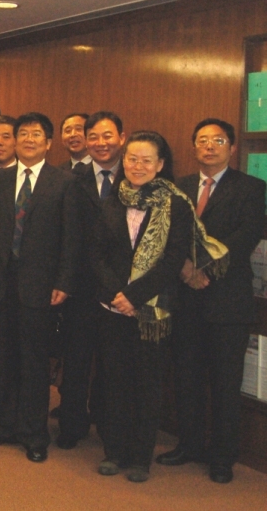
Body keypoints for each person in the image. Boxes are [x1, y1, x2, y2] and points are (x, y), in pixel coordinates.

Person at [94, 131, 222, 483]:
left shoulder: (176, 203)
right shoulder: (112, 200)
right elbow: (97, 254)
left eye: (146, 160)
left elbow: (172, 259)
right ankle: (114, 452)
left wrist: (134, 296)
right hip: (111, 306)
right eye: (132, 159)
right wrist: (116, 294)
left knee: (146, 384)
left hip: (152, 310)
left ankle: (140, 458)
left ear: (160, 164)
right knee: (115, 381)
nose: (137, 166)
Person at [0, 112, 80, 464]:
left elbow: (71, 238)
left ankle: (34, 433)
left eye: (37, 135)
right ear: (15, 141)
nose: (29, 140)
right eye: (24, 134)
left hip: (41, 286)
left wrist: (64, 281)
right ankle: (4, 425)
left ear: (49, 143)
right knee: (3, 357)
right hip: (0, 283)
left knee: (34, 362)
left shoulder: (63, 181)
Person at [166, 119, 265, 484]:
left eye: (218, 140)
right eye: (203, 141)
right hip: (186, 298)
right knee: (187, 376)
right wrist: (184, 270)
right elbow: (170, 235)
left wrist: (203, 270)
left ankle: (223, 456)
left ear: (232, 147)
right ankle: (188, 445)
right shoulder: (180, 188)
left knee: (225, 382)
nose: (210, 147)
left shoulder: (252, 188)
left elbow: (244, 239)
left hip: (227, 300)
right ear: (194, 147)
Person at [56, 111, 125, 450]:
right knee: (76, 358)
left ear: (121, 138)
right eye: (93, 137)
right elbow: (65, 235)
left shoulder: (137, 174)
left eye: (107, 136)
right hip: (80, 286)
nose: (100, 143)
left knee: (113, 364)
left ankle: (110, 426)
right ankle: (72, 423)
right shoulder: (72, 177)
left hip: (123, 289)